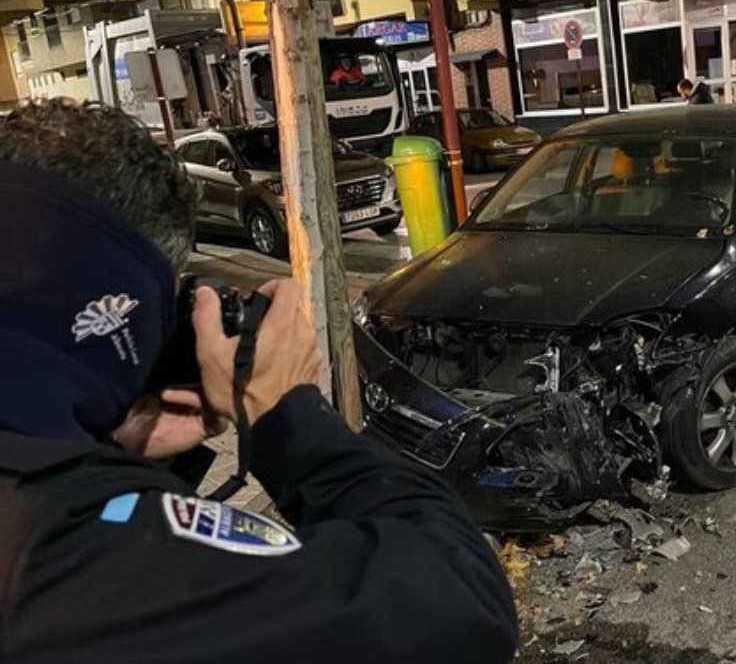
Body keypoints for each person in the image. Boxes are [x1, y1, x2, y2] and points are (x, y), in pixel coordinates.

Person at [0, 99, 518, 663]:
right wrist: (285, 415)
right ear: (119, 304)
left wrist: (110, 444)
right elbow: (458, 599)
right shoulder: (61, 548)